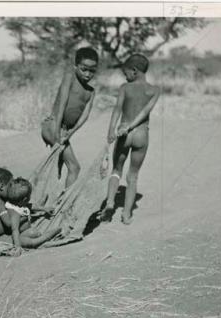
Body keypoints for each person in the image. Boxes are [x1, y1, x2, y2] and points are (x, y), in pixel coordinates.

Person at [101, 54, 160, 224]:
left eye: (125, 72)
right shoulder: (154, 90)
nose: (125, 76)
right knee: (133, 176)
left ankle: (110, 203)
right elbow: (145, 112)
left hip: (123, 133)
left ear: (134, 71)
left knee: (116, 171)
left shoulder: (125, 88)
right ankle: (127, 214)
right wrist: (133, 126)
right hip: (141, 134)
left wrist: (112, 130)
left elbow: (117, 110)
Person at [41, 47, 98, 188]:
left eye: (92, 71)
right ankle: (64, 205)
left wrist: (70, 133)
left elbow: (85, 116)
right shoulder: (69, 78)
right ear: (75, 67)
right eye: (84, 69)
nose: (87, 74)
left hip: (65, 131)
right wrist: (57, 134)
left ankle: (52, 201)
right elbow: (61, 106)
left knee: (58, 167)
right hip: (54, 125)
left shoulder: (90, 92)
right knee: (74, 167)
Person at [6, 177, 61, 255]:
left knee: (33, 229)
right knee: (28, 241)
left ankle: (40, 204)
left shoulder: (18, 204)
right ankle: (46, 237)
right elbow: (15, 230)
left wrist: (44, 209)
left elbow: (29, 206)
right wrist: (18, 247)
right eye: (29, 196)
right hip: (21, 235)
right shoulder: (15, 213)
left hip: (28, 229)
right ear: (25, 199)